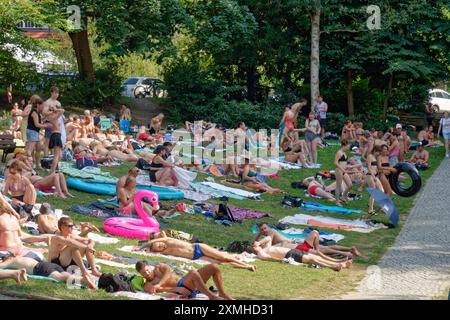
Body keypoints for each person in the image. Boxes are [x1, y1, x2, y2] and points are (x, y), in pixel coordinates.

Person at [138, 236, 256, 272]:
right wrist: (141, 249)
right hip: (196, 256)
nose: (161, 247)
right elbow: (150, 251)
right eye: (159, 248)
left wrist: (142, 246)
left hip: (198, 248)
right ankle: (240, 263)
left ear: (160, 241)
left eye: (159, 244)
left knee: (223, 256)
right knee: (220, 262)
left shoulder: (168, 240)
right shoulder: (165, 252)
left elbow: (151, 242)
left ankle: (246, 265)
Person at [133, 261, 233, 300]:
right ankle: (211, 296)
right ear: (140, 274)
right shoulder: (148, 283)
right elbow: (156, 290)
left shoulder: (159, 267)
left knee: (214, 267)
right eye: (143, 273)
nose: (147, 273)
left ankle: (222, 293)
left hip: (187, 280)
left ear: (149, 267)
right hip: (183, 286)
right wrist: (176, 288)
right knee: (193, 273)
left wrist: (160, 283)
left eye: (147, 270)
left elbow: (168, 271)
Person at [0, 256, 96, 289]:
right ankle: (83, 278)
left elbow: (1, 266)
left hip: (39, 268)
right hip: (48, 265)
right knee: (65, 275)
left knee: (61, 278)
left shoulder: (12, 260)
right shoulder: (22, 258)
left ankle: (83, 279)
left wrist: (3, 263)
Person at [252, 241, 352, 271]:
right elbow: (269, 258)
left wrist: (259, 242)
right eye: (253, 246)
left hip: (293, 251)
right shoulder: (260, 253)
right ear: (253, 250)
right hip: (289, 254)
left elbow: (269, 238)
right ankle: (334, 266)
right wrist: (280, 260)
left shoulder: (265, 247)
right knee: (312, 259)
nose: (255, 246)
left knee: (317, 257)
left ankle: (340, 263)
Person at [25, 97, 50, 169]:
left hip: (35, 132)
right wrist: (46, 125)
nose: (43, 107)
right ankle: (28, 166)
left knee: (38, 148)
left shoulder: (37, 112)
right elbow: (36, 124)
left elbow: (38, 121)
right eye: (43, 105)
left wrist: (44, 119)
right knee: (29, 151)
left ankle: (37, 165)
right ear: (38, 105)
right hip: (32, 131)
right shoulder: (34, 112)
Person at [43, 87, 62, 157]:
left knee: (55, 143)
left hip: (56, 123)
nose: (57, 94)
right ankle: (45, 158)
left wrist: (58, 117)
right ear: (51, 93)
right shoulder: (47, 102)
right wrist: (52, 111)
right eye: (55, 93)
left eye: (58, 93)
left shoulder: (58, 103)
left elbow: (60, 113)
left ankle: (53, 158)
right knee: (47, 142)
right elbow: (44, 112)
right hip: (49, 122)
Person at [365, 147, 384, 215]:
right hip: (370, 175)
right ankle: (370, 209)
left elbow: (375, 167)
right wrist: (373, 176)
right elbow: (369, 167)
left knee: (381, 191)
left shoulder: (375, 157)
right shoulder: (370, 156)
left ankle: (382, 207)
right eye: (378, 152)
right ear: (375, 150)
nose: (379, 153)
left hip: (375, 176)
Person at [46, 106, 65, 173]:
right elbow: (62, 110)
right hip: (56, 135)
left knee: (60, 155)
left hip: (57, 135)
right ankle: (52, 171)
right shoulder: (53, 117)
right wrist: (56, 109)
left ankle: (53, 167)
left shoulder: (52, 117)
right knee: (56, 155)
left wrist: (55, 110)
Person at [334, 140, 353, 206]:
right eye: (348, 146)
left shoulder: (344, 153)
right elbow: (335, 163)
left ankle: (343, 195)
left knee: (350, 185)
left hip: (343, 171)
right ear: (344, 145)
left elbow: (344, 163)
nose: (348, 148)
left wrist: (350, 167)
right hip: (339, 171)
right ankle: (337, 201)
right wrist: (342, 169)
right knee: (338, 186)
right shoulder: (339, 152)